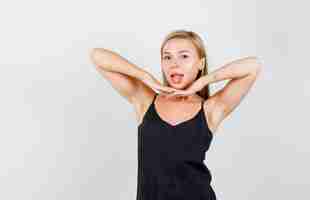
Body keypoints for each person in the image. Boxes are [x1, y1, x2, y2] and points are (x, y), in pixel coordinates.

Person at [90, 29, 262, 200]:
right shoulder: (145, 101)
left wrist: (205, 80)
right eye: (167, 57)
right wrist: (144, 76)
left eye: (184, 56)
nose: (174, 64)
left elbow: (253, 66)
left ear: (200, 64)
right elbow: (97, 56)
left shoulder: (210, 109)